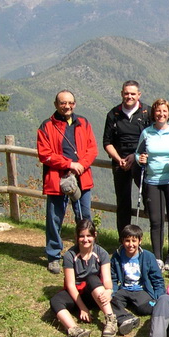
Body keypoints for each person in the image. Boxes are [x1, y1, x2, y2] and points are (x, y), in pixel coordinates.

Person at [37, 89, 98, 274]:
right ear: (56, 104)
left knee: (84, 216)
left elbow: (92, 149)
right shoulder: (47, 126)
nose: (67, 106)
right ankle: (54, 256)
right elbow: (45, 154)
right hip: (57, 179)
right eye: (63, 103)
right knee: (55, 218)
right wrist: (69, 164)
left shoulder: (84, 123)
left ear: (75, 104)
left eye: (70, 102)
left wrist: (80, 165)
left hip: (82, 178)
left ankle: (87, 252)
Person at [136, 99, 169, 269]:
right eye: (158, 111)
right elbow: (138, 154)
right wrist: (140, 160)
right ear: (154, 113)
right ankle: (157, 257)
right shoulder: (147, 133)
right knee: (156, 220)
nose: (161, 114)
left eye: (164, 111)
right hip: (152, 181)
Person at [49, 220, 116, 337]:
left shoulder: (102, 253)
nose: (85, 239)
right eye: (82, 236)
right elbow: (70, 284)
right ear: (76, 237)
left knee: (92, 278)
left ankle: (110, 320)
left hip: (95, 294)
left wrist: (109, 291)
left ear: (94, 235)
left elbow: (107, 279)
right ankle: (75, 330)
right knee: (55, 301)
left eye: (89, 236)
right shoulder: (69, 255)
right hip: (76, 293)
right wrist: (82, 308)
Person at [102, 80, 151, 235]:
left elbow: (154, 139)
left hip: (141, 162)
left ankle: (148, 239)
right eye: (126, 93)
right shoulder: (113, 114)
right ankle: (124, 239)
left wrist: (134, 156)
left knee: (149, 199)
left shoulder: (148, 113)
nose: (129, 96)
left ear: (139, 95)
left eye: (132, 93)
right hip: (120, 162)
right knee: (123, 203)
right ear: (122, 93)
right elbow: (107, 142)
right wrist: (119, 159)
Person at [109, 224, 166, 336]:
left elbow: (157, 279)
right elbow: (113, 277)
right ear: (122, 241)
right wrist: (112, 292)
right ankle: (126, 318)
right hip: (124, 289)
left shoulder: (148, 256)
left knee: (144, 309)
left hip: (141, 290)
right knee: (109, 301)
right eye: (127, 241)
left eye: (134, 241)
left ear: (140, 241)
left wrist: (160, 296)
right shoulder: (117, 256)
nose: (131, 244)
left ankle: (139, 307)